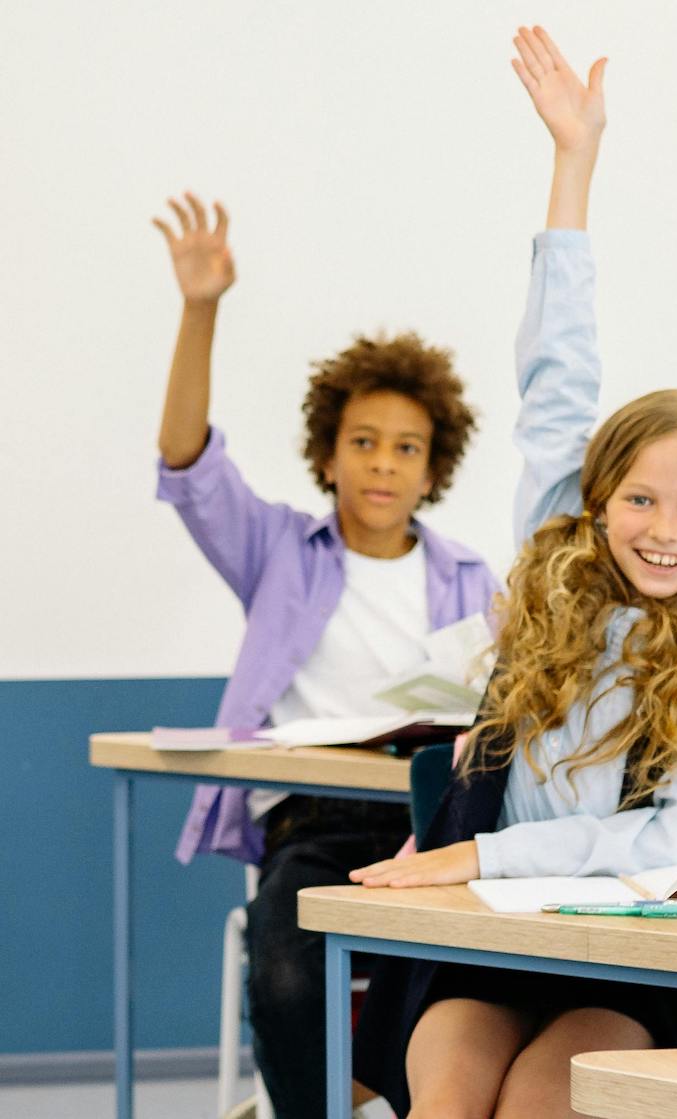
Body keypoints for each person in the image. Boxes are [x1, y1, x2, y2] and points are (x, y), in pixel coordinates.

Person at [346, 27, 677, 1118]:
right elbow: (558, 370)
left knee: (543, 1102)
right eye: (639, 499)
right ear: (596, 505)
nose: (664, 529)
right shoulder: (560, 554)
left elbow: (669, 841)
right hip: (491, 936)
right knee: (447, 1098)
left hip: (621, 952)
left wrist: (485, 856)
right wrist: (572, 166)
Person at [152, 194, 501, 1118]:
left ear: (435, 466)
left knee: (469, 981)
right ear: (329, 454)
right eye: (363, 443)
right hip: (309, 829)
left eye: (406, 448)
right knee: (286, 974)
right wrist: (201, 309)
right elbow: (188, 466)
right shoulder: (278, 552)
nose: (383, 464)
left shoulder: (472, 577)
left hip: (429, 827)